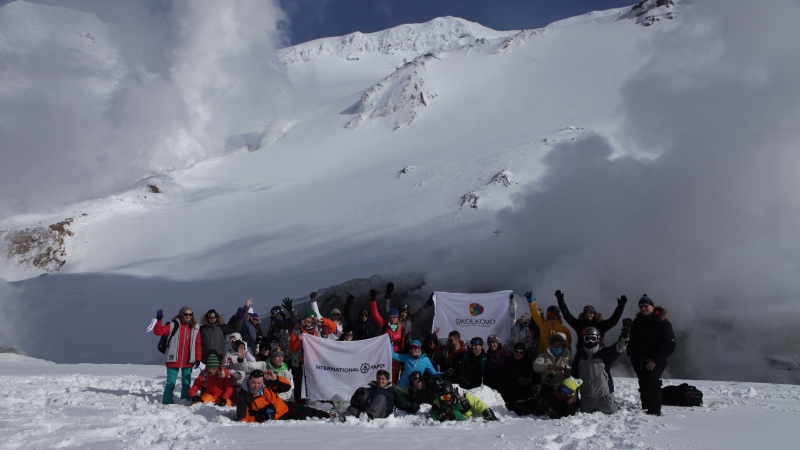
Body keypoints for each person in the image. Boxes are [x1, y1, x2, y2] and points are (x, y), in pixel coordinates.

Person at [627, 294, 676, 416]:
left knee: (652, 381)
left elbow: (669, 345)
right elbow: (632, 340)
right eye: (640, 306)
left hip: (656, 360)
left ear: (652, 306)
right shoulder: (637, 322)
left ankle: (654, 411)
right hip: (639, 360)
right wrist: (631, 354)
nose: (643, 308)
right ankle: (646, 407)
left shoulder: (663, 323)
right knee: (643, 383)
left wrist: (655, 360)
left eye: (645, 306)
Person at [571, 326, 629, 414]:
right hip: (587, 399)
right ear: (583, 339)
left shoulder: (604, 352)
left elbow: (618, 349)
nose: (590, 341)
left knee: (612, 413)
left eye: (593, 338)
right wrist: (573, 396)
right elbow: (574, 375)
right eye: (588, 338)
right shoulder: (579, 355)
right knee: (583, 414)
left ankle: (613, 403)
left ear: (598, 339)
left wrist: (624, 336)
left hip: (604, 398)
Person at [236, 369, 330, 422]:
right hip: (280, 418)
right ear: (249, 381)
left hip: (287, 407)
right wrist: (258, 418)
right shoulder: (244, 397)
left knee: (313, 413)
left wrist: (275, 378)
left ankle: (332, 417)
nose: (256, 386)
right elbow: (242, 418)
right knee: (309, 421)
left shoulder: (268, 385)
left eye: (259, 383)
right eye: (253, 383)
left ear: (263, 381)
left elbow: (287, 387)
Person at [153, 306, 202, 404]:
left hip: (188, 359)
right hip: (173, 359)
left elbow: (198, 344)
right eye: (186, 314)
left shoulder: (196, 327)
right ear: (181, 314)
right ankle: (167, 402)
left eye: (190, 314)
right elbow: (158, 332)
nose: (188, 316)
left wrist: (198, 358)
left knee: (186, 383)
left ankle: (186, 400)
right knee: (171, 382)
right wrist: (159, 320)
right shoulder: (173, 325)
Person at [289, 309, 338, 403]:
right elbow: (293, 349)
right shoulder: (297, 330)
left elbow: (333, 327)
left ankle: (322, 401)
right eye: (308, 318)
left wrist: (322, 320)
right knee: (299, 383)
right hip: (300, 361)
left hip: (315, 361)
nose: (309, 321)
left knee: (318, 381)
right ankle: (300, 404)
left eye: (312, 319)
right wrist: (298, 339)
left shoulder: (319, 329)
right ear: (304, 319)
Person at [555, 290, 627, 351]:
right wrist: (561, 301)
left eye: (590, 313)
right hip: (582, 355)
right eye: (586, 313)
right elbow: (567, 316)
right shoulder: (579, 325)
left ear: (594, 314)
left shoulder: (600, 325)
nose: (588, 314)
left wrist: (620, 307)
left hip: (598, 355)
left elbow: (613, 321)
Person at [339, 370, 418, 422]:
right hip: (364, 411)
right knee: (358, 403)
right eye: (379, 378)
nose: (380, 381)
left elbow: (402, 403)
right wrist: (356, 400)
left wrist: (412, 407)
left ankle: (369, 416)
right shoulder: (370, 389)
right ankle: (342, 417)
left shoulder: (392, 392)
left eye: (383, 379)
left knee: (381, 397)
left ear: (387, 380)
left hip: (380, 414)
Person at [370, 285, 406, 382]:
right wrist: (373, 300)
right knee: (383, 376)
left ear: (397, 317)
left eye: (395, 317)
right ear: (389, 317)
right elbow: (375, 313)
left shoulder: (402, 328)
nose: (393, 319)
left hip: (397, 356)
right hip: (384, 354)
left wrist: (402, 359)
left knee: (394, 379)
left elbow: (402, 344)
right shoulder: (384, 325)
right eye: (391, 316)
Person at [267, 298, 299, 401]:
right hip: (282, 359)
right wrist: (278, 353)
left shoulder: (288, 323)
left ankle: (298, 399)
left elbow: (295, 318)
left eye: (278, 314)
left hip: (294, 355)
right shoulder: (273, 330)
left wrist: (291, 310)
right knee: (282, 379)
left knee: (297, 379)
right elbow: (272, 343)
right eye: (274, 315)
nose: (277, 317)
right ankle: (281, 398)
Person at [199, 299, 249, 364]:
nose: (212, 318)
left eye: (214, 316)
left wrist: (239, 318)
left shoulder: (221, 327)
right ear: (206, 317)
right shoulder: (202, 329)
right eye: (210, 316)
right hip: (205, 358)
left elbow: (235, 328)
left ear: (217, 317)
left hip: (219, 357)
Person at [513, 376, 582, 419]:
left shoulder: (571, 404)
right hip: (538, 407)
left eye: (567, 391)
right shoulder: (553, 390)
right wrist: (538, 389)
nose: (562, 392)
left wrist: (552, 413)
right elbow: (543, 390)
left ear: (572, 393)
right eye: (562, 388)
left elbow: (565, 417)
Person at [428, 380, 498, 422]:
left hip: (467, 419)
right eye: (443, 398)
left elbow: (479, 405)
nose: (446, 400)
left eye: (447, 397)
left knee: (454, 412)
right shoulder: (439, 401)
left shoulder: (465, 397)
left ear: (452, 394)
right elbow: (430, 416)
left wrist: (487, 412)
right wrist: (438, 415)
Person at [500, 342, 538, 407]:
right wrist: (516, 379)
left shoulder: (528, 364)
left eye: (521, 352)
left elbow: (535, 378)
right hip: (509, 394)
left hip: (524, 394)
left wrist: (529, 381)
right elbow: (503, 379)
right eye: (516, 351)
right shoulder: (508, 363)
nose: (518, 354)